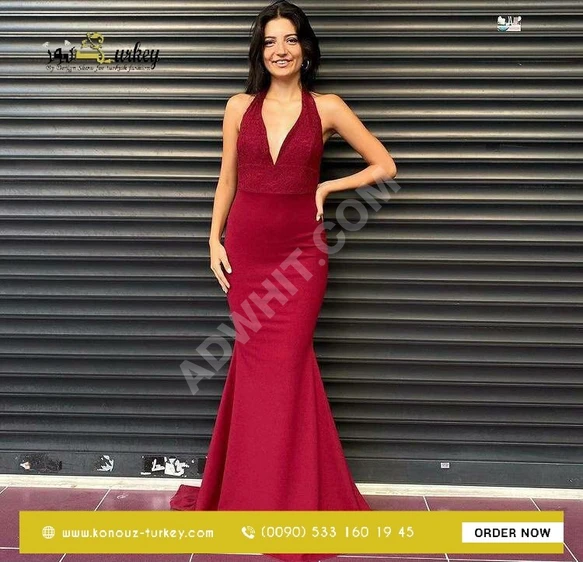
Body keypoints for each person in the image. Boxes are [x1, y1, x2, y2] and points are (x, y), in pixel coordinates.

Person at [169, 1, 397, 560]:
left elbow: (385, 166)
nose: (280, 50)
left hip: (301, 258)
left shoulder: (328, 107)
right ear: (259, 51)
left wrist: (327, 188)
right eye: (270, 41)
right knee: (253, 370)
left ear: (306, 49)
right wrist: (213, 239)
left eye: (290, 39)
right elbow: (227, 178)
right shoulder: (238, 106)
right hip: (248, 251)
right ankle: (251, 495)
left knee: (288, 369)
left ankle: (288, 499)